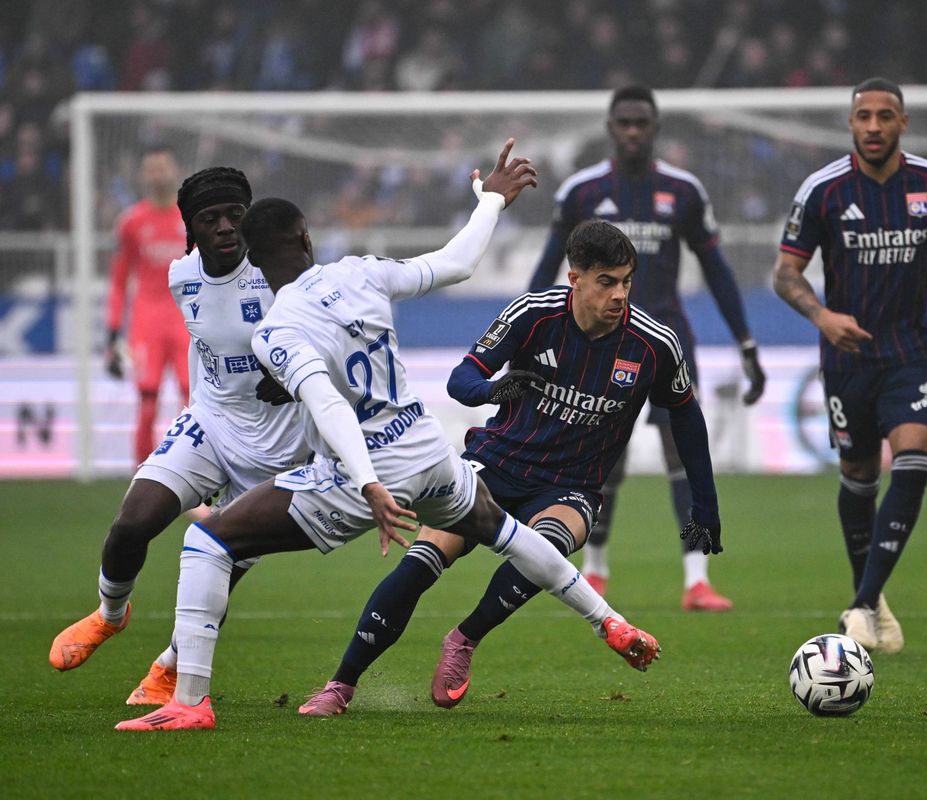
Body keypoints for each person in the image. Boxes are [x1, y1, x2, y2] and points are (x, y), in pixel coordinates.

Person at [115, 141, 671, 732]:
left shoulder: (276, 328)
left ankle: (190, 702)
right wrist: (490, 203)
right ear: (307, 239)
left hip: (367, 473)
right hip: (430, 451)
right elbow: (455, 264)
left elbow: (326, 404)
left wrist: (369, 484)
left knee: (208, 542)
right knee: (504, 531)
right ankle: (608, 620)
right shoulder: (360, 272)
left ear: (253, 256)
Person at [298, 219, 722, 716]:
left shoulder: (654, 344)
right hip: (495, 464)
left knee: (544, 550)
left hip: (572, 484)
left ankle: (464, 638)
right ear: (576, 278)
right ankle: (341, 685)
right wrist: (490, 389)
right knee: (425, 559)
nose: (619, 294)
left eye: (626, 281)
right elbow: (462, 380)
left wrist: (705, 505)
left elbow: (687, 419)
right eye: (606, 281)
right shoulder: (532, 314)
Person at [50, 167, 308, 706]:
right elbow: (205, 344)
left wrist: (293, 377)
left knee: (218, 566)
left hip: (279, 452)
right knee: (130, 524)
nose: (225, 227)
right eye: (210, 218)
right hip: (210, 425)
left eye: (235, 215)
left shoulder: (283, 273)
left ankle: (170, 667)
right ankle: (109, 615)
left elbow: (329, 330)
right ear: (190, 228)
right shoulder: (179, 277)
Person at [771, 77, 927, 654]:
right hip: (848, 359)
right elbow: (785, 273)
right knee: (860, 475)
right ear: (850, 124)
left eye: (885, 115)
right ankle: (868, 595)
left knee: (915, 456)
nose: (873, 126)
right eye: (863, 116)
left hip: (911, 351)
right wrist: (821, 317)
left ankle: (863, 603)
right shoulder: (822, 191)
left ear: (903, 123)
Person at [528, 85, 763, 612]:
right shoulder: (581, 192)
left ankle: (697, 578)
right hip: (595, 347)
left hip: (667, 343)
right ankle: (597, 569)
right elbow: (546, 271)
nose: (633, 131)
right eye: (624, 122)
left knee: (685, 456)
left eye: (642, 123)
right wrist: (532, 341)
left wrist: (746, 342)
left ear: (654, 128)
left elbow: (718, 272)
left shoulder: (683, 191)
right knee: (602, 460)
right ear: (611, 127)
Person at [104, 145, 191, 464]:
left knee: (193, 402)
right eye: (151, 168)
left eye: (162, 167)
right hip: (147, 323)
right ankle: (143, 480)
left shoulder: (192, 218)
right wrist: (113, 334)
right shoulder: (132, 222)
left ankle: (195, 475)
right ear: (143, 175)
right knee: (148, 403)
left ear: (175, 169)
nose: (157, 175)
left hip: (187, 324)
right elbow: (118, 282)